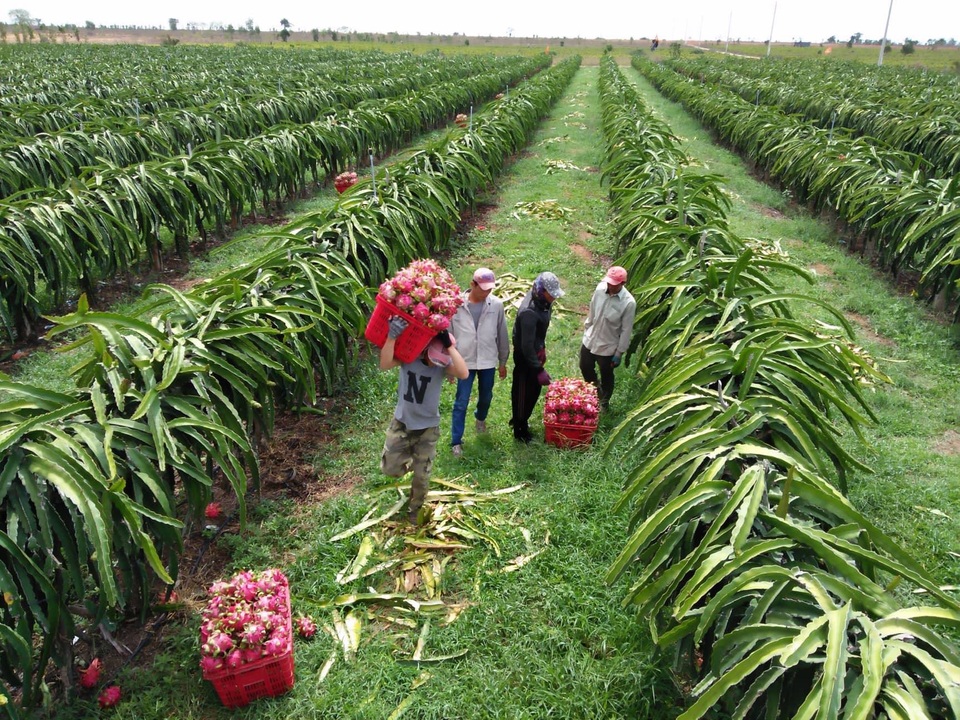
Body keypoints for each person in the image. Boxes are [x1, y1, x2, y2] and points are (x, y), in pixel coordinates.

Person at [380, 317, 469, 523]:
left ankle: (415, 510)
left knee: (422, 477)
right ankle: (411, 462)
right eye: (433, 358)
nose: (434, 363)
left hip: (427, 429)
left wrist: (449, 346)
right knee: (389, 469)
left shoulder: (441, 367)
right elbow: (384, 364)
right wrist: (392, 337)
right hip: (402, 423)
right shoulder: (408, 358)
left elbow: (463, 373)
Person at [449, 267, 510, 458]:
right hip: (464, 361)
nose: (487, 293)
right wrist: (449, 366)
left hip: (487, 360)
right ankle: (456, 441)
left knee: (486, 396)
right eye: (483, 289)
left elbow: (502, 334)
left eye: (490, 289)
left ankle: (480, 418)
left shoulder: (496, 305)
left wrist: (502, 361)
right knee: (461, 401)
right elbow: (448, 336)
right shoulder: (455, 305)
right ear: (472, 285)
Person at [510, 271, 564, 443]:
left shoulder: (544, 302)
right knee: (523, 392)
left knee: (534, 390)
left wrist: (542, 347)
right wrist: (538, 369)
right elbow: (526, 346)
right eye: (551, 294)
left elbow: (538, 334)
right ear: (542, 290)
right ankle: (519, 429)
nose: (553, 298)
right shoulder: (529, 312)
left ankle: (521, 417)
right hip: (525, 357)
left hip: (535, 351)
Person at [579, 266, 636, 410]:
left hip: (608, 345)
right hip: (591, 338)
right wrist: (587, 328)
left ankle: (604, 402)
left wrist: (619, 353)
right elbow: (592, 311)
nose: (610, 286)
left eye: (614, 284)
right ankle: (595, 392)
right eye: (609, 283)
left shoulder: (628, 303)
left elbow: (626, 330)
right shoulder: (600, 290)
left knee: (606, 374)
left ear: (623, 283)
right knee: (585, 366)